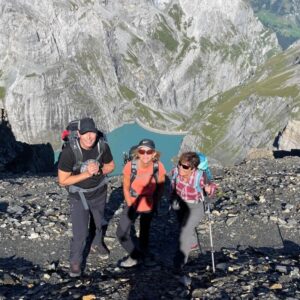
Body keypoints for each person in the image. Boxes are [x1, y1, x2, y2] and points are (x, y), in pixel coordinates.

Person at [58, 117, 115, 277]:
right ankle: (75, 261)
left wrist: (99, 170)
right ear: (78, 134)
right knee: (80, 232)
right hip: (79, 196)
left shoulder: (102, 146)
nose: (90, 136)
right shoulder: (69, 152)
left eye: (92, 132)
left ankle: (97, 243)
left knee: (99, 223)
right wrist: (86, 174)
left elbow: (111, 166)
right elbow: (62, 181)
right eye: (85, 133)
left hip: (99, 192)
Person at [116, 139, 166, 267]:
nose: (145, 155)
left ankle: (144, 255)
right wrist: (129, 203)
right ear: (138, 152)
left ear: (154, 153)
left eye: (149, 151)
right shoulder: (130, 166)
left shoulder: (158, 166)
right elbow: (126, 187)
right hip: (133, 201)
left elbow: (161, 187)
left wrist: (156, 202)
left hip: (149, 202)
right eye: (142, 151)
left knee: (145, 230)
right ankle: (135, 256)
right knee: (121, 232)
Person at [170, 151, 217, 273]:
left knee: (185, 231)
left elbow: (212, 188)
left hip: (195, 207)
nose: (180, 167)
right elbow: (172, 184)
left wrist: (209, 189)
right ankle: (193, 244)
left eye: (185, 166)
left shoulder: (199, 176)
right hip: (180, 204)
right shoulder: (176, 171)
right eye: (180, 164)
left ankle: (179, 263)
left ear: (193, 169)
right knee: (183, 225)